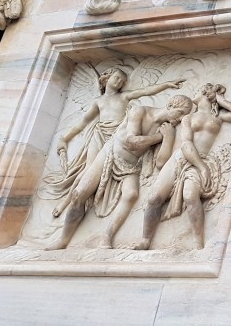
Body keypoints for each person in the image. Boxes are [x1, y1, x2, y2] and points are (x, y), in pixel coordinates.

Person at [48, 94, 193, 249]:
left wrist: (168, 137)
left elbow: (160, 163)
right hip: (110, 153)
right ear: (170, 106)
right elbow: (131, 142)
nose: (182, 118)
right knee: (79, 193)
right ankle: (63, 240)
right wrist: (159, 137)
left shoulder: (168, 129)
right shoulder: (139, 112)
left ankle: (107, 236)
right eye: (181, 112)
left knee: (131, 195)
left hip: (131, 164)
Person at [44, 67, 186, 217]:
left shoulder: (124, 97)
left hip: (116, 135)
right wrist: (65, 139)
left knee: (97, 170)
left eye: (122, 81)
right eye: (116, 78)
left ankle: (82, 198)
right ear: (106, 78)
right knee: (88, 169)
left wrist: (167, 84)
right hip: (100, 134)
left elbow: (146, 91)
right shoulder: (98, 101)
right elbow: (83, 122)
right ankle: (65, 203)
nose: (119, 82)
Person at [137, 83, 231, 249]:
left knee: (190, 196)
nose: (193, 94)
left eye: (196, 90)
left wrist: (221, 100)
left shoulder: (218, 117)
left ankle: (197, 243)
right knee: (154, 198)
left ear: (204, 93)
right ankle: (145, 240)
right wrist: (201, 167)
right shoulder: (188, 118)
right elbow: (186, 143)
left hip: (202, 158)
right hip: (182, 157)